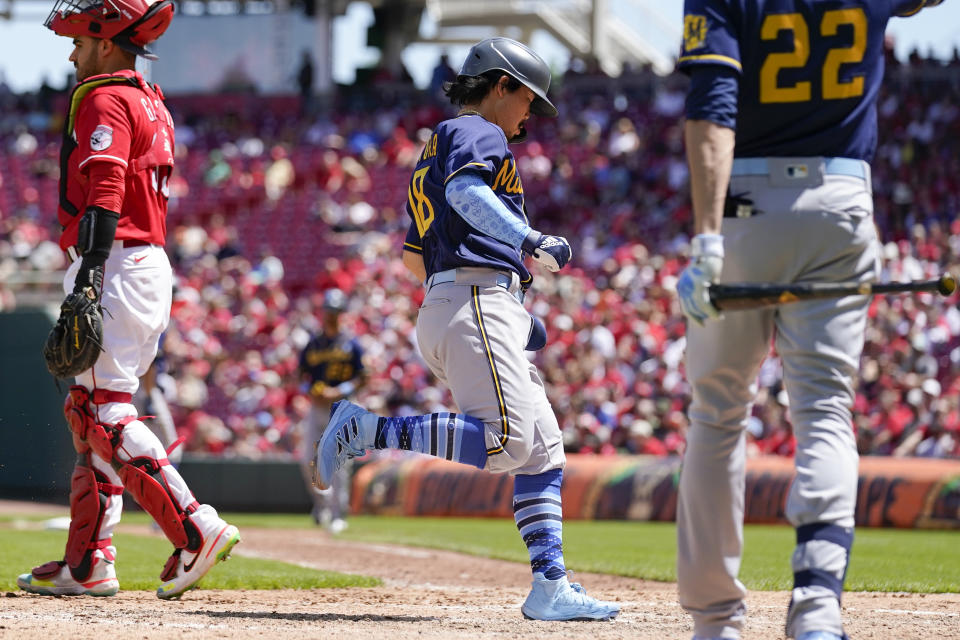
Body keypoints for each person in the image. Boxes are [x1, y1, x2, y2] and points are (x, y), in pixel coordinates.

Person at [314, 37, 619, 622]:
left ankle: (550, 585)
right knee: (507, 444)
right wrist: (525, 246)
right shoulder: (479, 130)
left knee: (543, 453)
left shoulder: (442, 145)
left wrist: (508, 302)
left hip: (463, 297)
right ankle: (366, 430)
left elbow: (413, 256)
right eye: (529, 99)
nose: (531, 114)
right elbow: (465, 191)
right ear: (501, 84)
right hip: (473, 299)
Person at [674, 1, 946, 639]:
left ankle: (715, 623)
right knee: (824, 409)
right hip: (839, 200)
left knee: (716, 414)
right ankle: (818, 611)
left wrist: (707, 240)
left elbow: (712, 106)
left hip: (740, 203)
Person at [18, 0, 240, 599]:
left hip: (114, 260)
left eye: (81, 41)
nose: (72, 51)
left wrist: (89, 272)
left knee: (100, 414)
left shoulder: (105, 95)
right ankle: (89, 561)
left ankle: (195, 528)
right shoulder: (150, 96)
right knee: (92, 410)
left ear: (108, 41)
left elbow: (108, 184)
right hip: (142, 262)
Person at [297, 288, 366, 533]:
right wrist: (310, 389)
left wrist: (341, 390)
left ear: (341, 313)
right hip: (317, 406)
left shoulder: (351, 343)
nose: (331, 315)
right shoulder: (313, 344)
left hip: (343, 405)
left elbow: (363, 376)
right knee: (308, 460)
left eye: (335, 311)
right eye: (328, 311)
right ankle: (322, 504)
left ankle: (339, 514)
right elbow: (300, 376)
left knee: (340, 462)